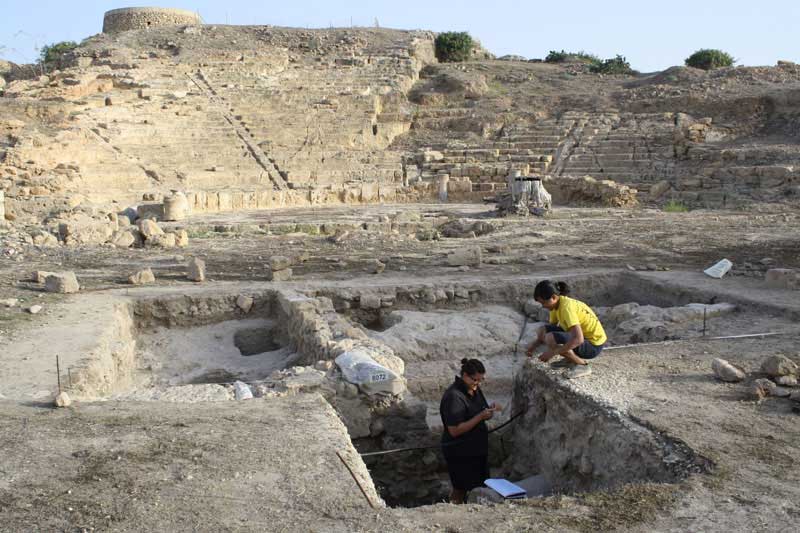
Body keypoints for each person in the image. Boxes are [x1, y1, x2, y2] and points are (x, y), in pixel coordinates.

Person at [439, 358, 501, 504]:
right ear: (465, 375)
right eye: (475, 380)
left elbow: (483, 411)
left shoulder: (474, 389)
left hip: (477, 449)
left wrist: (490, 410)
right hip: (460, 451)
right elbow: (454, 430)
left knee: (480, 484)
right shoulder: (454, 397)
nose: (478, 383)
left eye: (481, 380)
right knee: (460, 487)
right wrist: (480, 416)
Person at [525, 280, 607, 379]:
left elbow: (578, 339)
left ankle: (582, 365)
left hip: (593, 345)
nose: (543, 306)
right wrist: (533, 346)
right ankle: (569, 359)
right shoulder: (556, 305)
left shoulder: (566, 308)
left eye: (544, 302)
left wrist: (552, 352)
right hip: (584, 337)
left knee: (551, 338)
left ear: (554, 297)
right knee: (543, 330)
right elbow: (549, 329)